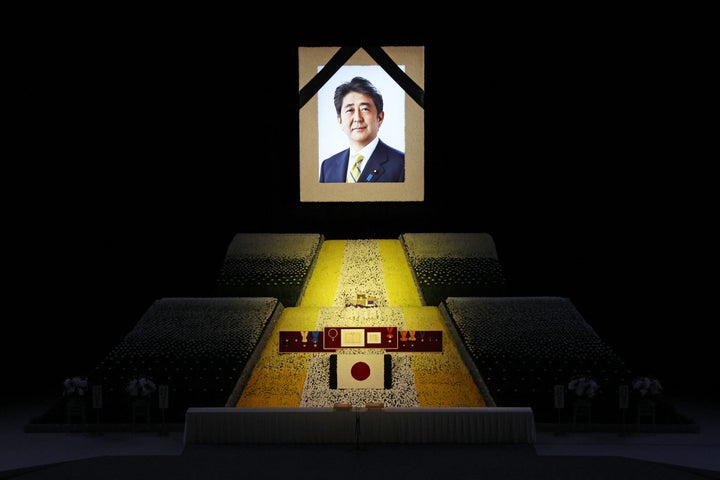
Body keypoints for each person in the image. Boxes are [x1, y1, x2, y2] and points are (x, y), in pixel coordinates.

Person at [319, 76, 405, 183]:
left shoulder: (402, 164)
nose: (357, 118)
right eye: (350, 110)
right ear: (340, 121)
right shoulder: (327, 167)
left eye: (364, 109)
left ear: (380, 117)